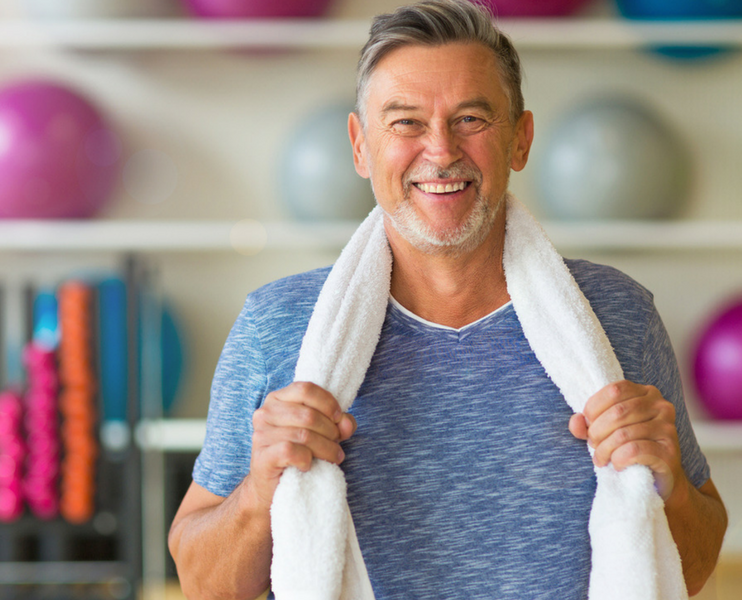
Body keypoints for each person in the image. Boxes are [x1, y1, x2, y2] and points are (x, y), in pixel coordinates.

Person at [168, 1, 727, 598]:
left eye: (471, 119)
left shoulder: (618, 315)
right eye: (405, 121)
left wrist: (664, 478)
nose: (440, 150)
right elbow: (204, 582)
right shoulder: (276, 327)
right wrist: (260, 491)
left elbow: (693, 565)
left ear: (520, 139)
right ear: (360, 146)